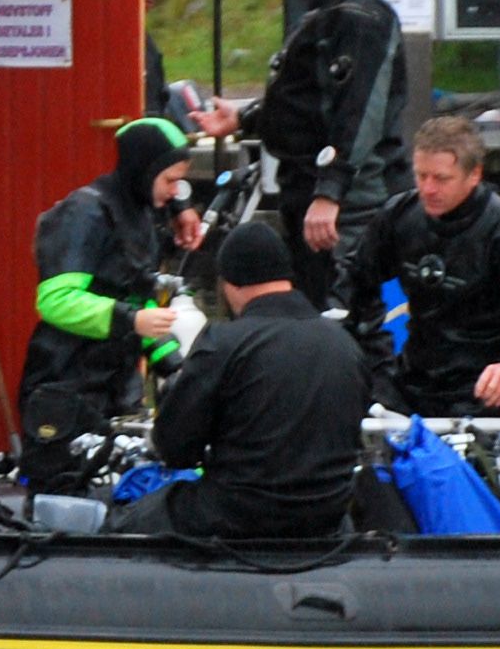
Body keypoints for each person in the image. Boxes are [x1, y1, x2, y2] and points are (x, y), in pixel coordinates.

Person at [109, 220, 366, 542]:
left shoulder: (223, 342)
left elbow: (175, 449)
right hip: (326, 518)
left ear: (230, 282)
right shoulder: (345, 345)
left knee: (121, 521)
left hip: (237, 516)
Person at [193, 0, 408, 290]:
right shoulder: (328, 13)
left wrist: (331, 192)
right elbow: (313, 102)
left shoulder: (360, 16)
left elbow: (360, 111)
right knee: (317, 311)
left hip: (351, 208)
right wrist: (245, 118)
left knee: (353, 313)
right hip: (314, 197)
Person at [332, 112, 500, 416]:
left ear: (474, 175)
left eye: (441, 179)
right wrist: (374, 358)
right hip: (409, 380)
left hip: (483, 389)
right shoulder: (400, 216)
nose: (428, 189)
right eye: (421, 175)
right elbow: (354, 283)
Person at [17, 117, 200, 491]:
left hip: (116, 388)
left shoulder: (143, 215)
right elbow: (55, 300)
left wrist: (173, 364)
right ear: (144, 170)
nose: (175, 191)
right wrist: (131, 320)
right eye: (169, 180)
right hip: (66, 384)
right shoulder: (85, 212)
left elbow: (141, 299)